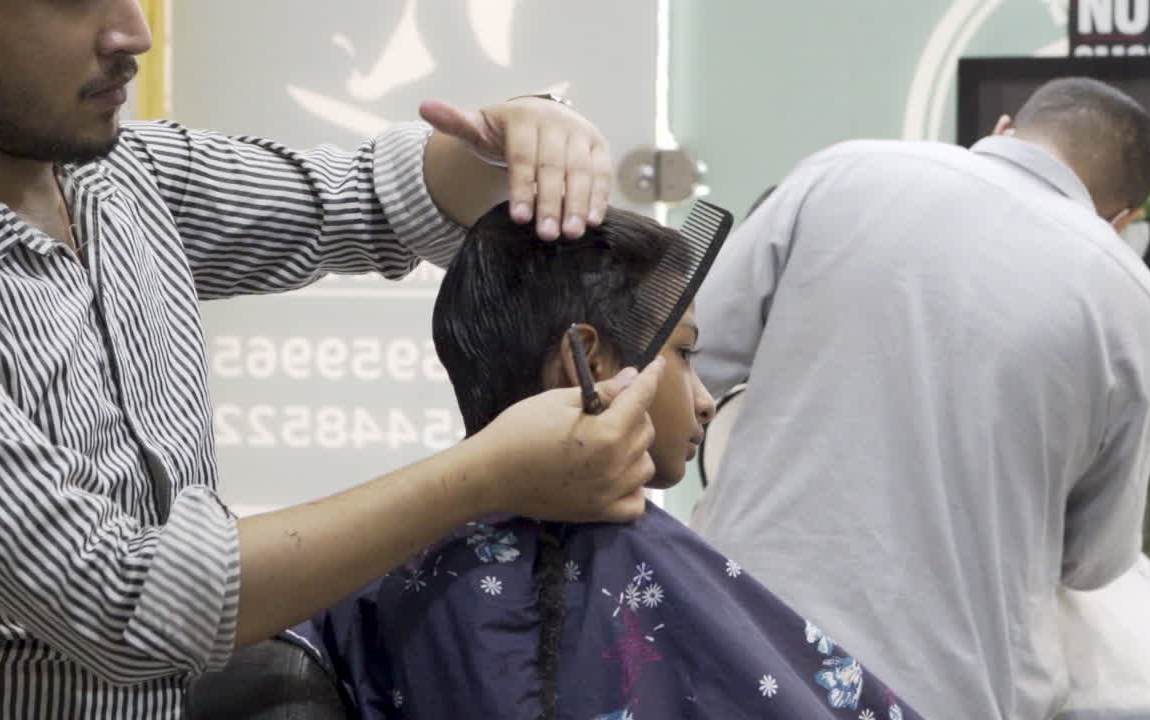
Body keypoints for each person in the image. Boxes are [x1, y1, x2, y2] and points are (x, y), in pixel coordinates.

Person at [0, 2, 666, 717]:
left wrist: (515, 137)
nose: (134, 33)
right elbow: (121, 599)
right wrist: (486, 476)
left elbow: (360, 199)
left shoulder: (123, 177)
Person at [286, 203, 926, 720]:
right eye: (685, 354)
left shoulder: (385, 563)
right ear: (588, 364)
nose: (705, 401)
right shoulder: (594, 561)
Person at [690, 77, 1150, 719]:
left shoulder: (842, 174)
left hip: (753, 640)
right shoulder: (1139, 308)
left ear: (1006, 129)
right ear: (1123, 219)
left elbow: (693, 352)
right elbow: (1092, 558)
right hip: (955, 687)